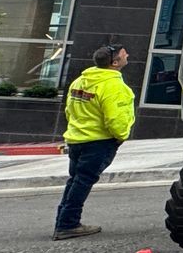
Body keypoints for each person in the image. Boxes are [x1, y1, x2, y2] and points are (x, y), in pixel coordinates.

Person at [53, 44, 135, 241]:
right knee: (83, 181)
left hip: (76, 139)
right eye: (124, 55)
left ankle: (63, 220)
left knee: (75, 180)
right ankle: (68, 224)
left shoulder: (80, 81)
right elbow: (116, 118)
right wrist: (121, 136)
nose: (128, 55)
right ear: (114, 63)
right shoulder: (114, 86)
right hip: (99, 141)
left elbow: (69, 110)